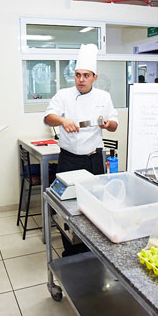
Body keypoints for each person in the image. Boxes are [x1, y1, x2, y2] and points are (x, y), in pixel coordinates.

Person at [44, 44, 118, 255]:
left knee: (95, 204)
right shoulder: (63, 95)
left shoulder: (103, 97)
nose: (81, 79)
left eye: (86, 75)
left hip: (94, 159)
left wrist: (106, 124)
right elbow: (48, 118)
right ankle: (70, 248)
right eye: (78, 75)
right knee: (68, 206)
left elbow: (114, 124)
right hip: (69, 159)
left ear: (94, 77)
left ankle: (92, 247)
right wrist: (62, 120)